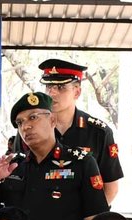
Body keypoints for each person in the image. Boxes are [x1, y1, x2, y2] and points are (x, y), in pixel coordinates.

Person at [38, 59, 124, 204]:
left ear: (77, 92)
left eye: (60, 87)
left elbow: (111, 187)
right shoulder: (32, 129)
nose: (51, 93)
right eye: (48, 86)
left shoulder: (99, 132)